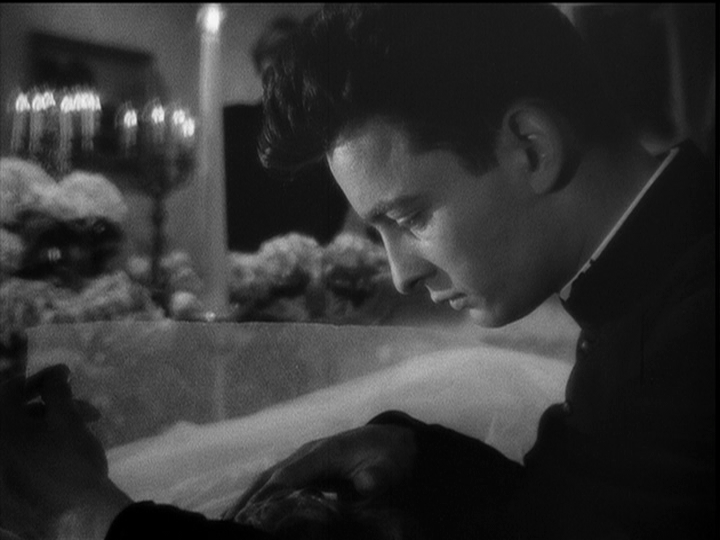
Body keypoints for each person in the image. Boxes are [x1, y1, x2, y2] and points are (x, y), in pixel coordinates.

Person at [0, 4, 715, 539]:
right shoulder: (654, 276)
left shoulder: (694, 331)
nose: (400, 275)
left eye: (410, 216)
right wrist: (420, 457)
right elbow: (580, 512)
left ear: (529, 147)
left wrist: (89, 517)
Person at [223, 15, 348, 252]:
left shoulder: (328, 130)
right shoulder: (233, 124)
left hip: (309, 260)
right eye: (273, 58)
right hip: (243, 260)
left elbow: (332, 209)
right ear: (261, 67)